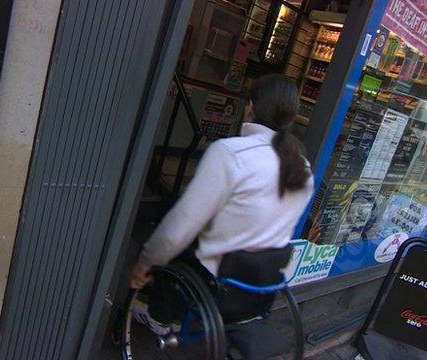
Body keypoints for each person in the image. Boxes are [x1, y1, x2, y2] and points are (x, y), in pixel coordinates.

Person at [130, 74, 314, 291]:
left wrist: (145, 263)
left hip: (213, 281)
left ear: (250, 107)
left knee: (169, 239)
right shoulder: (302, 167)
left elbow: (178, 230)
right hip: (260, 287)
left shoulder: (230, 152)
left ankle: (158, 316)